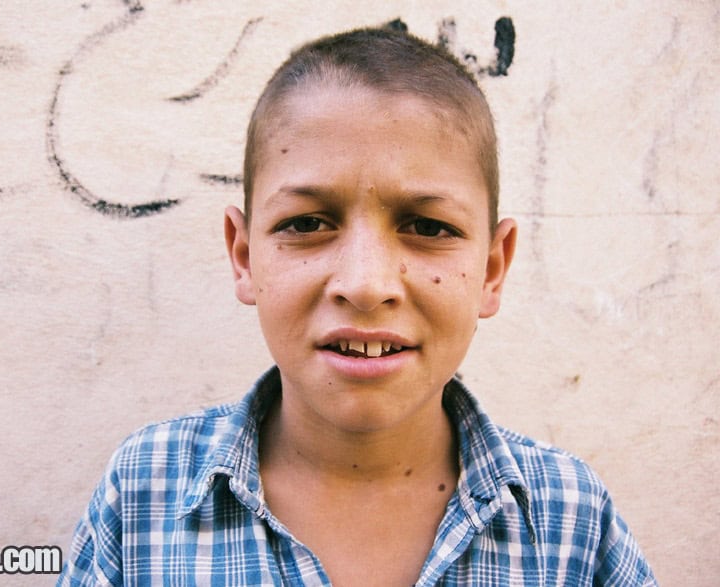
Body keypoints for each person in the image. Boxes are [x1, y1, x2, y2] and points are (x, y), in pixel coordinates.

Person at [57, 26, 656, 586]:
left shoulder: (568, 524)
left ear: (492, 269)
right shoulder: (144, 496)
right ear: (243, 256)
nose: (366, 285)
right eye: (308, 223)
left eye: (427, 226)